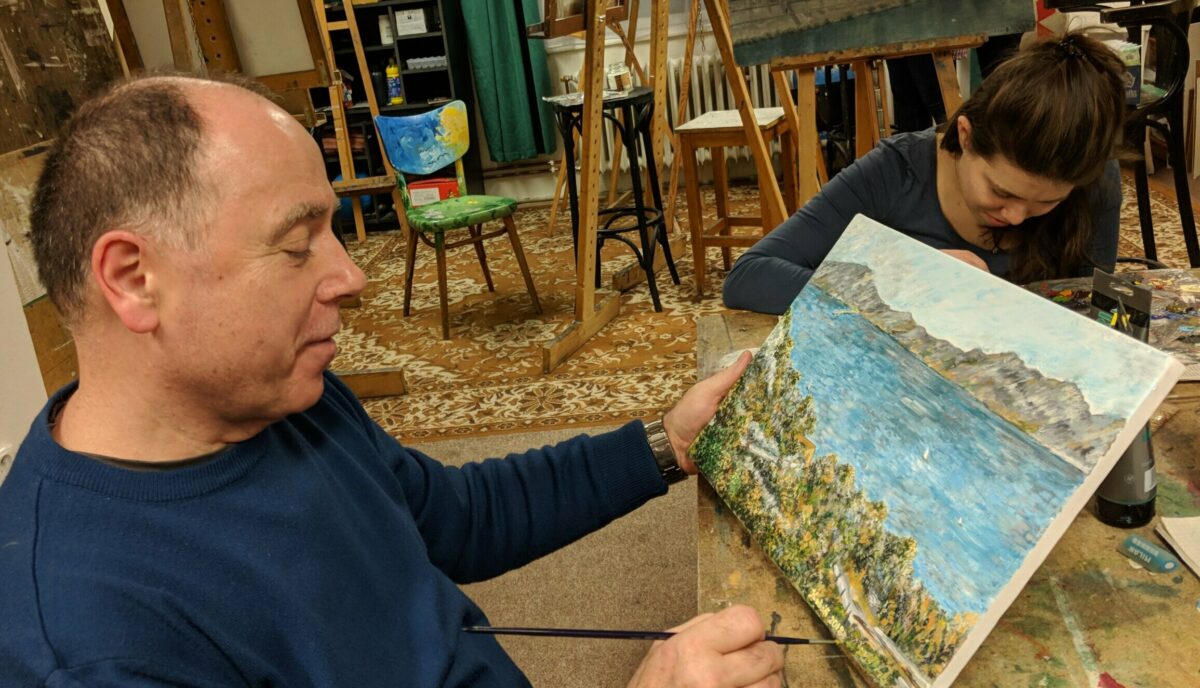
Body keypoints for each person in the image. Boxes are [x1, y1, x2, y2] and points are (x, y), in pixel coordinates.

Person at [0, 74, 784, 687]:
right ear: (133, 279)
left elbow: (455, 517)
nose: (351, 277)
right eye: (297, 244)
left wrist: (666, 441)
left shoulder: (283, 397)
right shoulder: (85, 644)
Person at [724, 31, 1127, 315]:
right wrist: (898, 279)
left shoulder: (1095, 180)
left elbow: (1094, 312)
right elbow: (750, 276)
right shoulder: (893, 172)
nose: (1017, 217)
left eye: (1047, 202)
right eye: (1001, 192)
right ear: (965, 136)